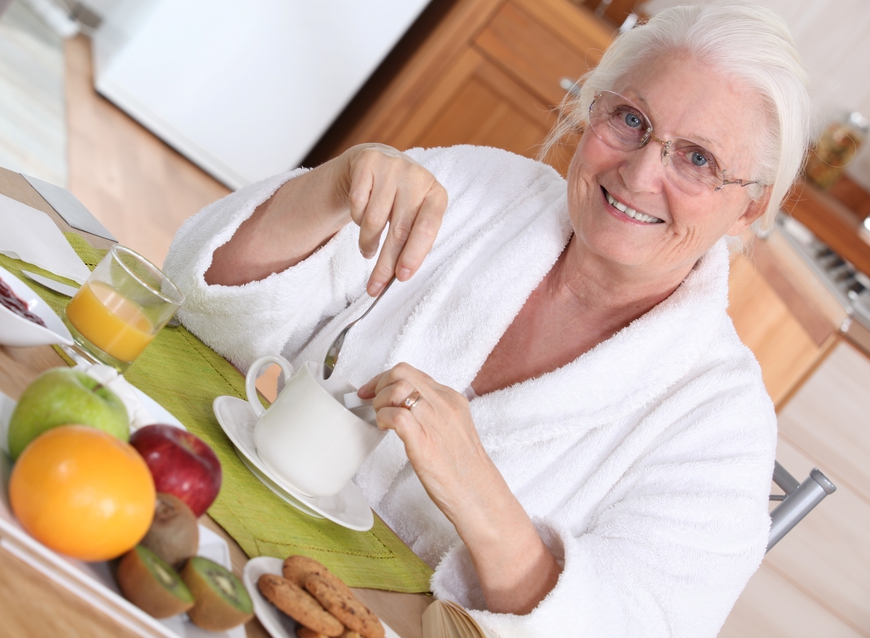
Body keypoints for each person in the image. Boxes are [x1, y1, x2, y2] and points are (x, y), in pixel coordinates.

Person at [164, 3, 814, 635]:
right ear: (592, 109)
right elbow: (200, 302)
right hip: (209, 529)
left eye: (698, 159)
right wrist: (328, 190)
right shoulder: (476, 188)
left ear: (749, 209)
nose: (641, 173)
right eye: (630, 119)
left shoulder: (723, 427)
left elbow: (642, 623)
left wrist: (478, 493)